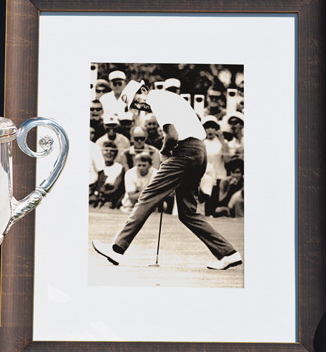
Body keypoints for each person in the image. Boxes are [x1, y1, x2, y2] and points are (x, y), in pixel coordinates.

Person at [91, 80, 242, 270]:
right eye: (135, 106)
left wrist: (163, 153)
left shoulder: (157, 99)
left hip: (185, 151)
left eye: (137, 101)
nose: (139, 107)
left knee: (147, 197)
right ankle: (228, 253)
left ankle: (117, 248)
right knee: (187, 213)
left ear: (144, 90)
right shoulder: (168, 98)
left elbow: (172, 136)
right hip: (198, 152)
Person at [201, 115, 230, 216]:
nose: (210, 130)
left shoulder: (223, 143)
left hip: (219, 177)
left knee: (215, 202)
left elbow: (227, 160)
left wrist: (222, 141)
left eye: (212, 127)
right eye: (207, 127)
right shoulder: (202, 143)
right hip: (205, 177)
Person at [93, 141, 125, 209]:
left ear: (115, 154)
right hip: (93, 197)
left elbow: (116, 188)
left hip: (110, 199)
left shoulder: (119, 168)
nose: (109, 152)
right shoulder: (95, 165)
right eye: (106, 150)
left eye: (112, 151)